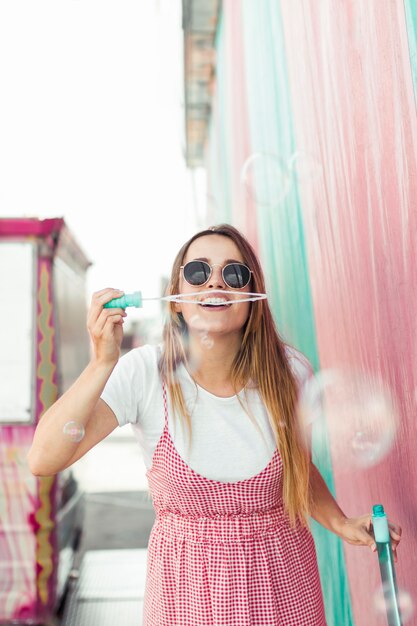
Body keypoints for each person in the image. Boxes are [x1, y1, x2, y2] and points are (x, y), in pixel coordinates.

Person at [28, 224, 402, 625]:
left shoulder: (291, 372)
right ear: (176, 297)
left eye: (234, 274)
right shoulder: (145, 373)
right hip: (186, 591)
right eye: (198, 272)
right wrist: (103, 362)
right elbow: (44, 458)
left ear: (252, 297)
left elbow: (297, 469)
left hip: (284, 582)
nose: (216, 283)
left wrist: (340, 521)